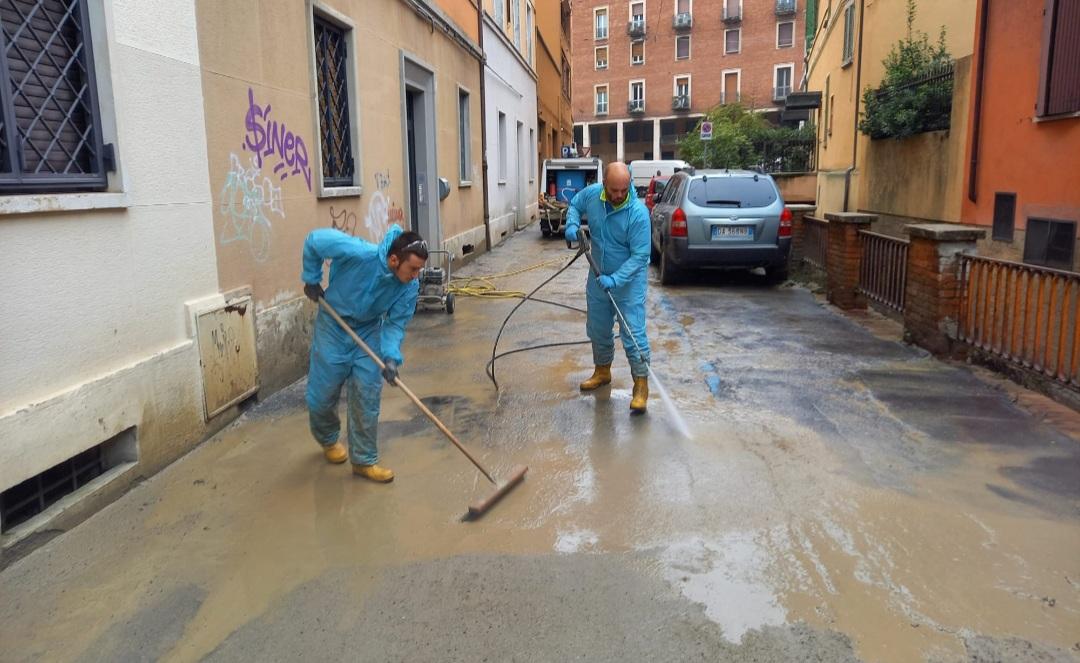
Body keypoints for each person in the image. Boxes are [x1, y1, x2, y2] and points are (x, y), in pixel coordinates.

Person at [300, 224, 428, 482]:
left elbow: (395, 324)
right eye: (413, 269)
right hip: (334, 327)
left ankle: (363, 460)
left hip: (368, 332)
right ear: (394, 260)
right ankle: (327, 438)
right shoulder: (359, 253)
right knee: (322, 396)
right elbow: (314, 241)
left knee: (366, 396)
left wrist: (390, 357)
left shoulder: (408, 288)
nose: (416, 275)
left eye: (419, 270)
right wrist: (311, 279)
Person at [564, 162, 651, 413]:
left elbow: (640, 257)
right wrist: (571, 224)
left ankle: (641, 385)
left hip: (628, 283)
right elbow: (575, 204)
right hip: (598, 276)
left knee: (633, 334)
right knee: (598, 328)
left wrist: (615, 279)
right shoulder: (593, 195)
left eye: (624, 190)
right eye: (614, 190)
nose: (619, 195)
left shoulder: (638, 213)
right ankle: (602, 371)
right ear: (604, 185)